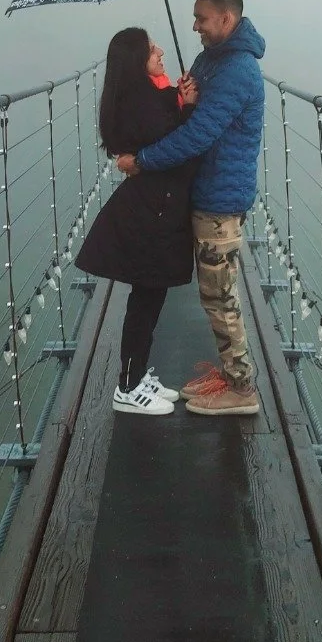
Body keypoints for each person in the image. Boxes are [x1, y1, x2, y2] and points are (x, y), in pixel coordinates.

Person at [116, 0, 265, 417]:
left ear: (227, 18)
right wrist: (185, 97)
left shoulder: (238, 69)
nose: (194, 25)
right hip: (204, 192)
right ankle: (232, 375)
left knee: (220, 296)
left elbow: (198, 135)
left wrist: (142, 160)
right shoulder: (211, 60)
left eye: (201, 18)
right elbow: (193, 116)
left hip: (219, 200)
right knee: (214, 294)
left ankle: (242, 389)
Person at [74, 28, 199, 415]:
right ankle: (127, 387)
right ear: (135, 60)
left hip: (155, 207)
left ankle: (137, 374)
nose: (160, 51)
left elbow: (161, 130)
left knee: (150, 294)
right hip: (152, 212)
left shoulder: (140, 97)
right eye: (151, 49)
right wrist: (188, 105)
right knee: (146, 295)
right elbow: (176, 143)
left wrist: (176, 96)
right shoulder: (139, 102)